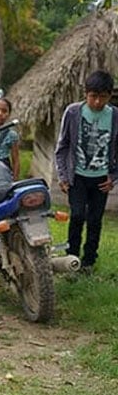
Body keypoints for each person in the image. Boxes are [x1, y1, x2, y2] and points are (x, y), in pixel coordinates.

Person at [54, 70, 118, 272]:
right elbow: (62, 147)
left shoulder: (115, 116)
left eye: (103, 97)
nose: (97, 102)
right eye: (93, 96)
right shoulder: (73, 112)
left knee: (95, 220)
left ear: (110, 96)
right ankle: (71, 257)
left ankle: (89, 261)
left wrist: (114, 177)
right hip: (77, 178)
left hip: (101, 179)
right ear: (85, 94)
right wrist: (63, 176)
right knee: (78, 215)